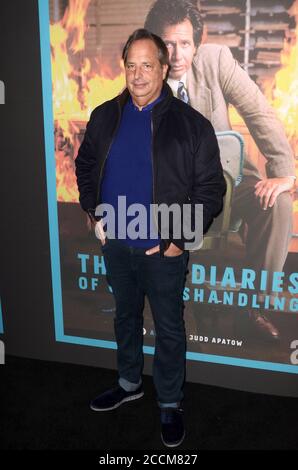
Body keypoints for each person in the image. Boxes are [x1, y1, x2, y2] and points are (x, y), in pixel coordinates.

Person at [75, 28, 225, 447]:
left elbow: (211, 190)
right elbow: (86, 166)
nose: (138, 75)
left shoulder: (192, 125)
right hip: (117, 245)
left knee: (169, 329)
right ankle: (128, 384)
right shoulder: (105, 115)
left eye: (147, 65)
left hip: (163, 250)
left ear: (164, 67)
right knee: (124, 318)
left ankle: (170, 403)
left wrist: (178, 239)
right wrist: (94, 213)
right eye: (131, 65)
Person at [144, 0, 296, 341]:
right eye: (168, 43)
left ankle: (253, 309)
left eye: (185, 43)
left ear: (196, 44)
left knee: (278, 205)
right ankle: (172, 312)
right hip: (176, 195)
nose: (177, 54)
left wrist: (285, 173)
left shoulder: (216, 61)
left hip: (231, 179)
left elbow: (259, 112)